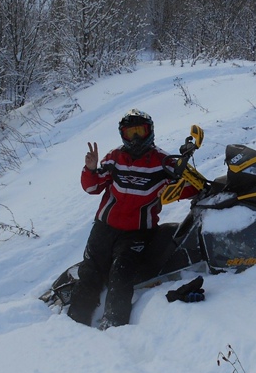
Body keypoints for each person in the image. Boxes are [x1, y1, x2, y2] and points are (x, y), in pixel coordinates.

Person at [67, 109, 199, 329]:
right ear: (123, 134)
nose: (136, 138)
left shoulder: (163, 161)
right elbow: (92, 187)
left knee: (121, 276)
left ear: (150, 132)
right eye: (131, 132)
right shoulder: (114, 157)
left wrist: (179, 178)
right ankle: (72, 327)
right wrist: (90, 169)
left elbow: (190, 188)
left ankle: (114, 326)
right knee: (90, 274)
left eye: (140, 131)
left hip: (137, 233)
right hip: (104, 228)